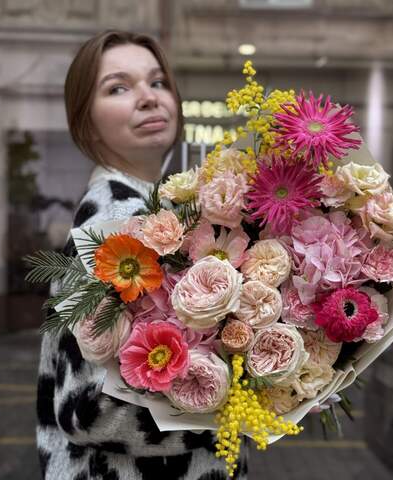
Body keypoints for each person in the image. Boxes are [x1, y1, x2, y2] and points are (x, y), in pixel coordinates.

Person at [36, 30, 249, 480]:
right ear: (86, 121)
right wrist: (237, 405)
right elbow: (86, 411)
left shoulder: (149, 210)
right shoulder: (112, 219)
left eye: (157, 82)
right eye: (118, 87)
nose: (149, 98)